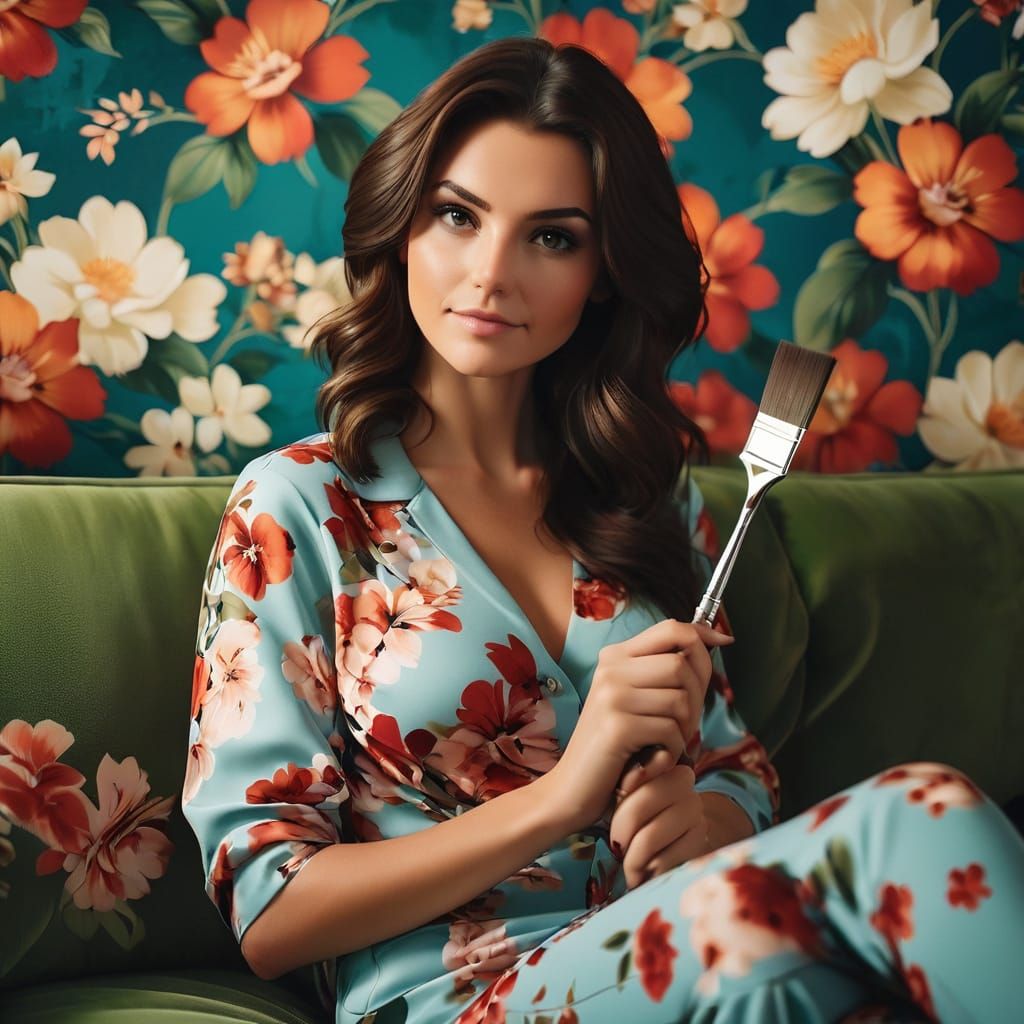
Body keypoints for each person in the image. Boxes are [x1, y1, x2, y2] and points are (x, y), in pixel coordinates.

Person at [181, 35, 1024, 1024]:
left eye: (552, 236)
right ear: (402, 227)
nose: (490, 273)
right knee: (921, 819)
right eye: (458, 215)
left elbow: (728, 772)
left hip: (700, 951)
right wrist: (561, 795)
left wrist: (702, 818)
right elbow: (269, 906)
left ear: (604, 272)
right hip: (462, 999)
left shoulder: (650, 497)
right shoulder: (298, 506)